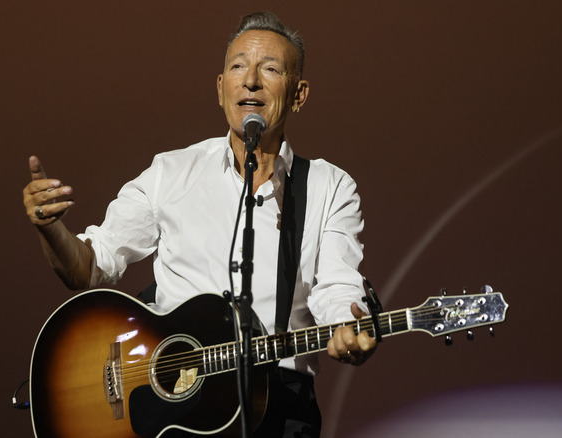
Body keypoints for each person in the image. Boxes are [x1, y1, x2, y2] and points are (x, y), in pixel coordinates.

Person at [22, 11, 377, 438]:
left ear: (299, 94)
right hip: (170, 408)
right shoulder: (171, 173)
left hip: (278, 403)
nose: (250, 81)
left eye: (270, 69)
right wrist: (50, 229)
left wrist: (348, 328)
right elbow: (90, 267)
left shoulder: (330, 186)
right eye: (238, 66)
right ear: (220, 88)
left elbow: (338, 289)